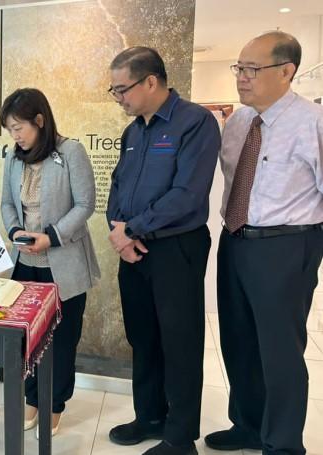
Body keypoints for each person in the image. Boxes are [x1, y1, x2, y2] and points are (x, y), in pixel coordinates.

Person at [205, 31, 323, 455]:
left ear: (287, 72)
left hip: (286, 245)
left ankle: (284, 444)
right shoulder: (239, 122)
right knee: (238, 340)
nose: (242, 77)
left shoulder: (313, 121)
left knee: (280, 351)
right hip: (236, 240)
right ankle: (248, 426)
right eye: (239, 67)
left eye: (252, 69)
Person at [105, 47, 220, 455]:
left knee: (179, 341)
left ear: (151, 81)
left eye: (122, 89)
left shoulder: (196, 122)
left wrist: (133, 228)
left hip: (176, 248)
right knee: (143, 337)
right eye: (114, 90)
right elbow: (118, 186)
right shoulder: (133, 132)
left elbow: (187, 195)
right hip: (134, 250)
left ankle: (180, 436)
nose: (118, 97)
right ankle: (149, 416)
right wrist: (119, 231)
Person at [0, 88, 100, 438]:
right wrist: (15, 231)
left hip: (63, 264)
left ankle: (55, 404)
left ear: (39, 121)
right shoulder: (13, 158)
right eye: (10, 130)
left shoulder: (70, 152)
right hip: (26, 263)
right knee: (28, 339)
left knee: (62, 339)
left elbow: (85, 204)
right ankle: (32, 397)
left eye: (19, 128)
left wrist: (52, 236)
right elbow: (7, 203)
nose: (15, 136)